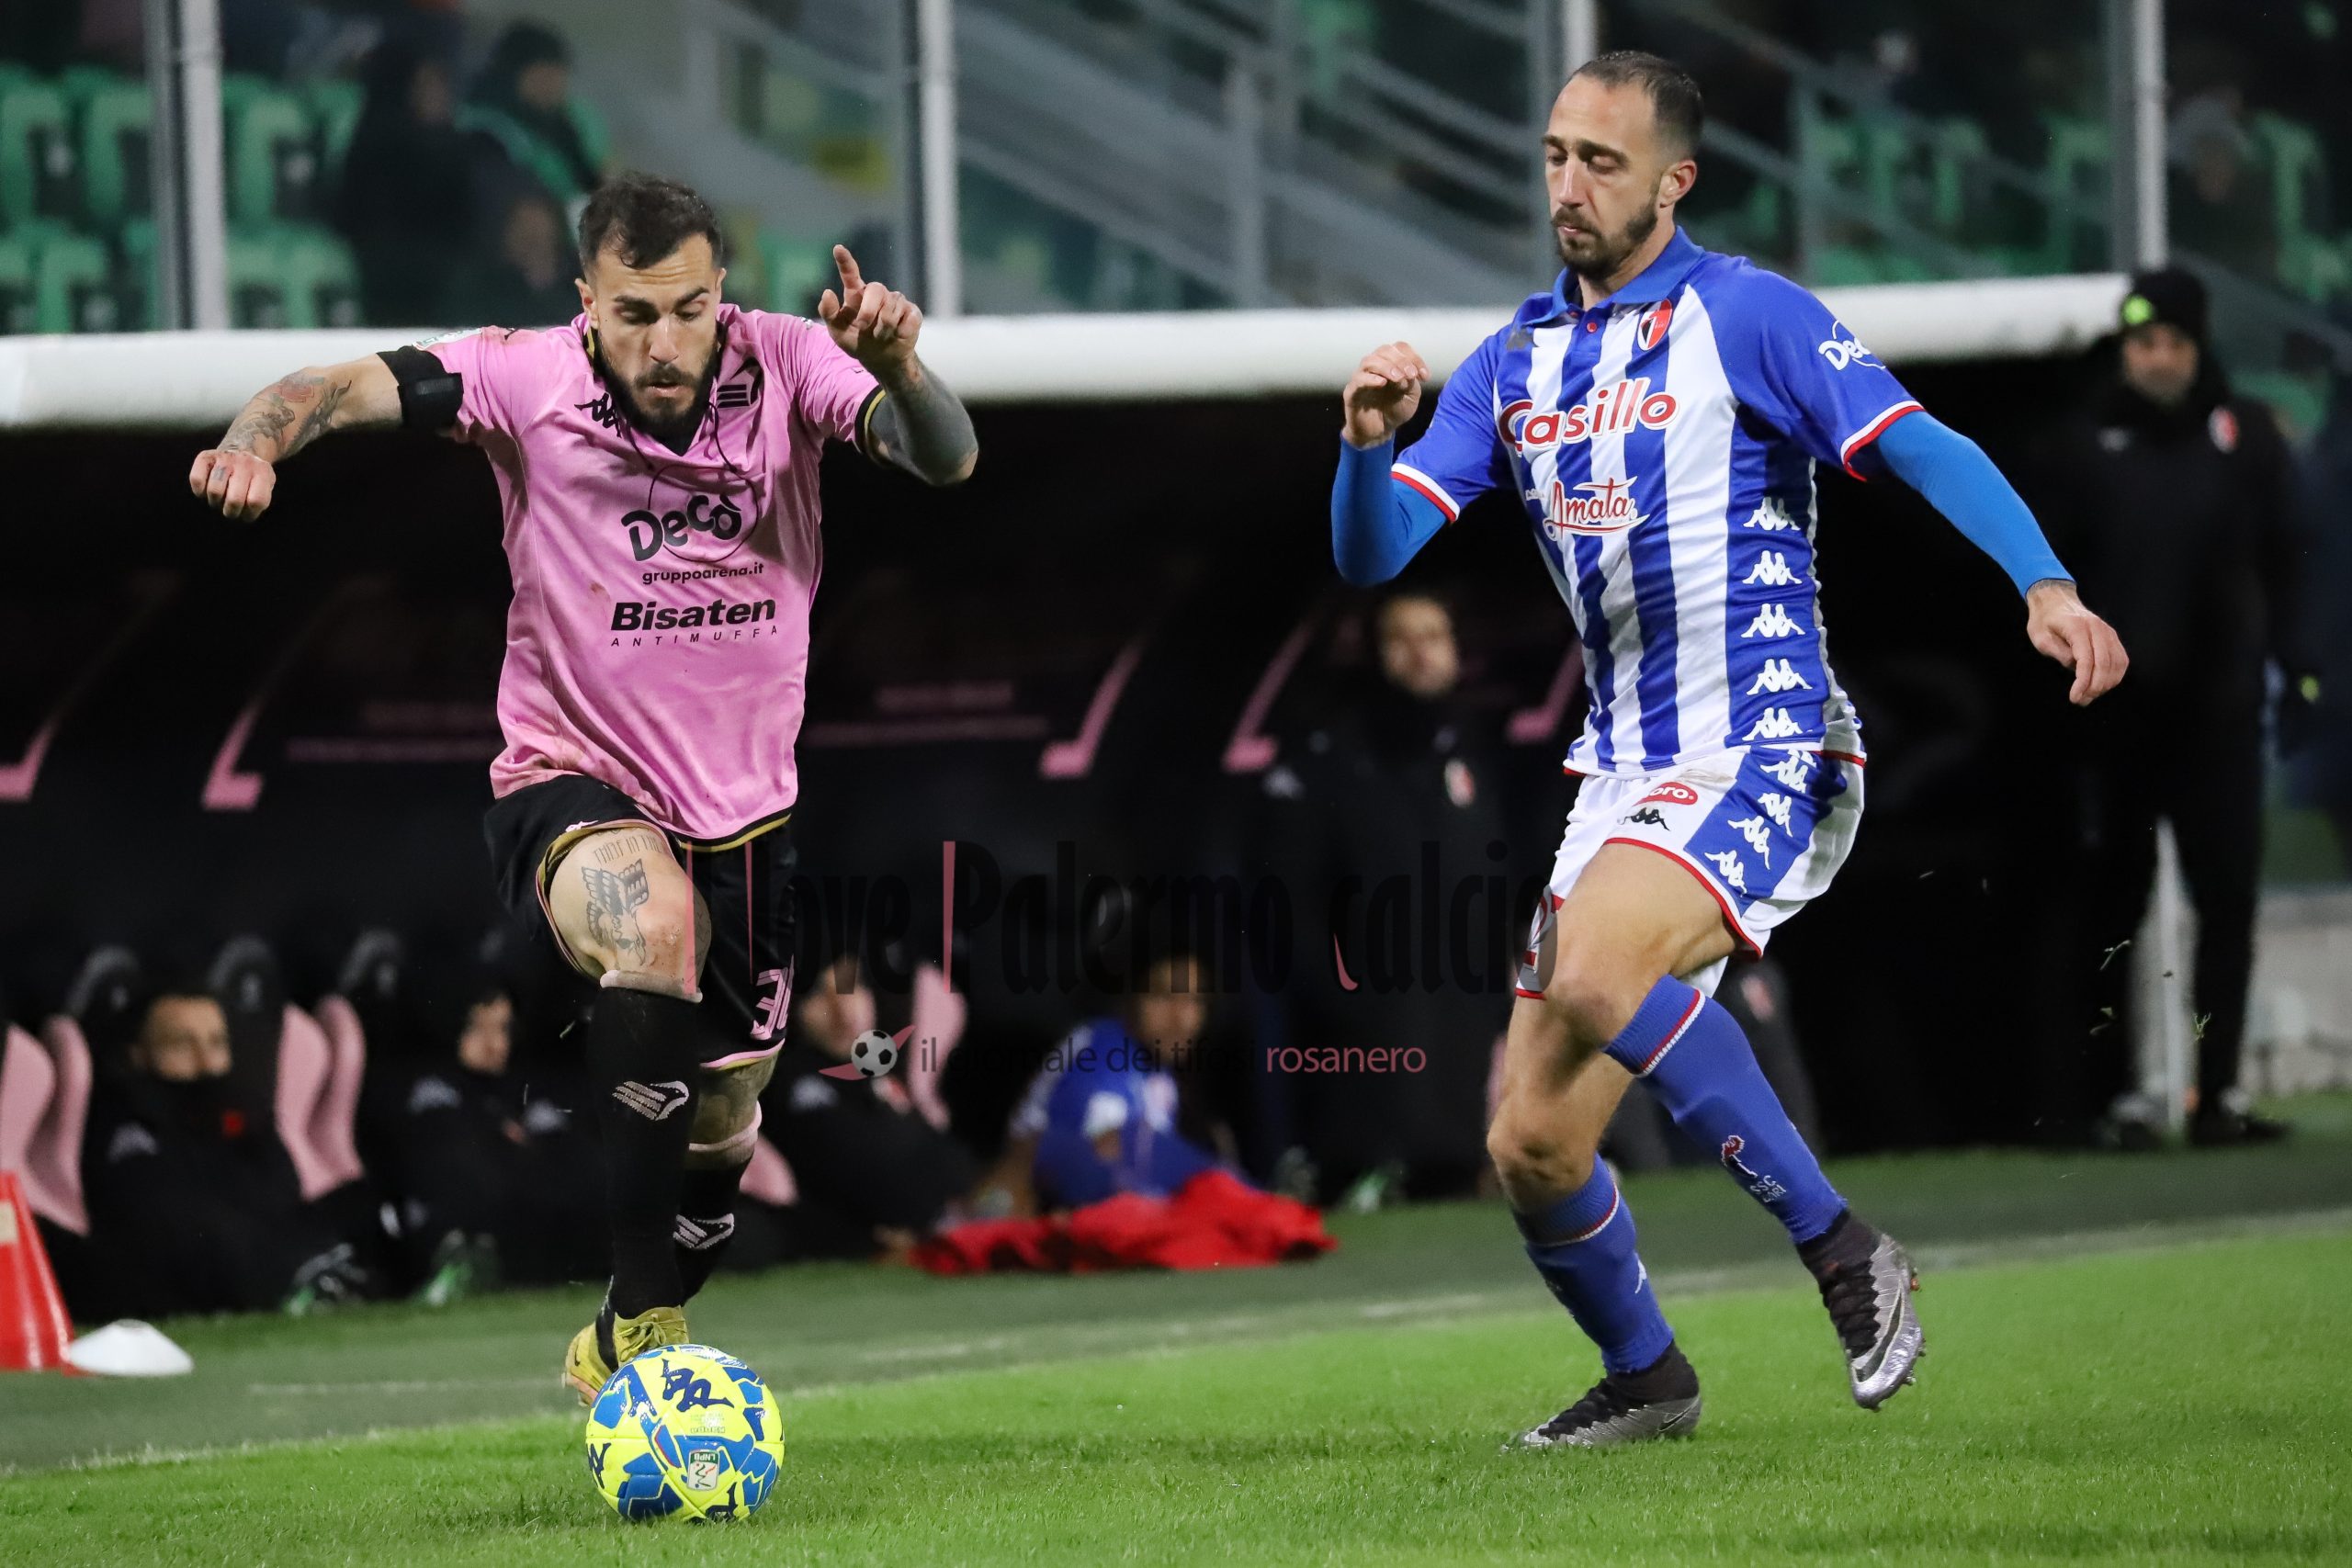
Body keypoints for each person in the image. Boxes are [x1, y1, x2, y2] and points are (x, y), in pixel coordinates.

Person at [1329, 51, 2128, 1447]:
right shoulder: (1512, 362)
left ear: (1674, 182)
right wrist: (1360, 445)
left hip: (1763, 738)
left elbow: (1920, 444)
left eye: (1603, 162)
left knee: (1597, 972)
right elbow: (1375, 551)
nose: (1569, 185)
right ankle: (1649, 1377)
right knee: (1531, 1143)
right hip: (1622, 772)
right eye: (1556, 155)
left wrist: (2044, 583)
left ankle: (1844, 1250)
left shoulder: (1749, 315)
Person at [188, 173, 978, 1398]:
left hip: (746, 816)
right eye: (634, 314)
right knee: (652, 929)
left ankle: (629, 1315)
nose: (665, 343)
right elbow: (334, 386)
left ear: (721, 295)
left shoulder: (786, 361)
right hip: (569, 775)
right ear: (586, 302)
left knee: (722, 1131)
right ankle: (648, 1316)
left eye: (688, 309)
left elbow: (949, 457)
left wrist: (903, 368)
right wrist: (252, 441)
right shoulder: (525, 377)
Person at [2035, 269, 2313, 1147]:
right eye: (2144, 343)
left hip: (2220, 718)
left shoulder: (2247, 438)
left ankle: (2217, 1092)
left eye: (2173, 344)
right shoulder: (2084, 443)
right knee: (2111, 909)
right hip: (2116, 721)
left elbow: (2291, 559)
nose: (2158, 359)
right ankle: (2112, 1099)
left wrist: (2295, 669)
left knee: (2225, 904)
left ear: (2198, 348)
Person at [1254, 588, 1509, 1203]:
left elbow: (1501, 888)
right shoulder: (1330, 761)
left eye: (1434, 637)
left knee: (1453, 1197)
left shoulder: (1472, 755)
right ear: (1371, 653)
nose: (1420, 653)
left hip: (1462, 1046)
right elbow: (1289, 907)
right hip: (1363, 1057)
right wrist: (1343, 1002)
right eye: (1401, 639)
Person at [83, 988, 369, 1316]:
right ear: (138, 1055)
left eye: (216, 1043)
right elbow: (175, 1227)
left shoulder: (240, 1118)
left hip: (268, 1261)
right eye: (182, 1045)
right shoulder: (127, 1134)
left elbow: (283, 1193)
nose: (205, 1061)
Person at [757, 953, 978, 1256]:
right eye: (820, 993)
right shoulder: (787, 1081)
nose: (843, 1009)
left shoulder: (882, 1077)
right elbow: (848, 1170)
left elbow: (952, 1166)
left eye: (854, 987)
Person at [999, 953, 1229, 1213]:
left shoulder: (1163, 1076)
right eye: (1165, 996)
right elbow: (1092, 1164)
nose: (1183, 1019)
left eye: (1196, 1001)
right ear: (1131, 996)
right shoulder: (1102, 1049)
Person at [334, 40, 483, 327]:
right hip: (391, 289)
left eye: (441, 85)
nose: (439, 95)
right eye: (426, 84)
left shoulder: (457, 147)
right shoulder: (378, 145)